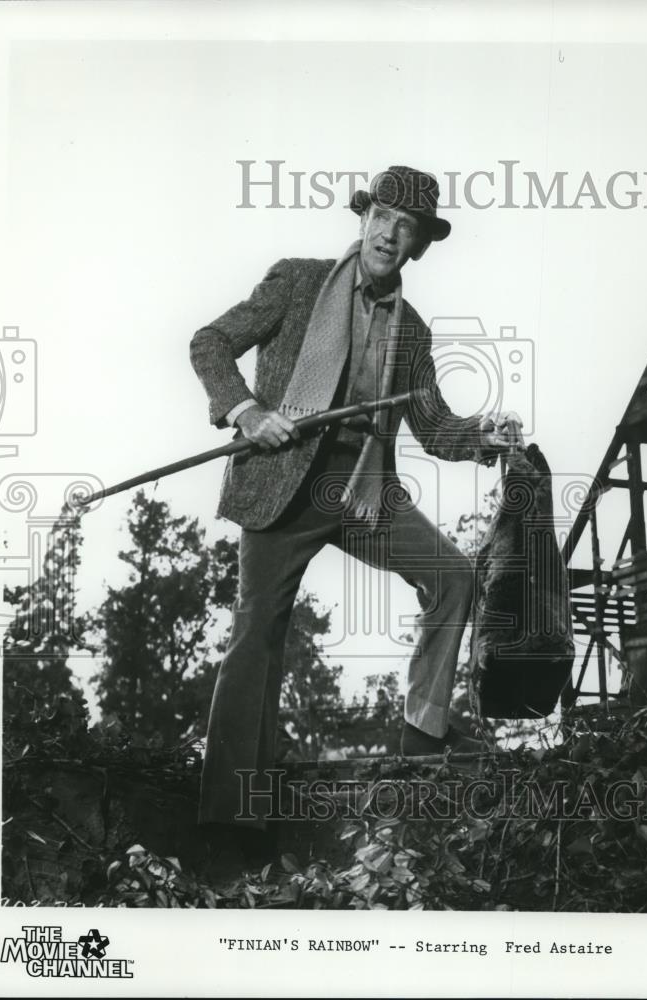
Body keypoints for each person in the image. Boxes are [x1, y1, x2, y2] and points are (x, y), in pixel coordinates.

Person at [190, 165, 522, 832]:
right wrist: (249, 412)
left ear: (419, 246)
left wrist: (481, 437)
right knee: (258, 635)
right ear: (362, 218)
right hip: (283, 485)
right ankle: (228, 820)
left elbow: (433, 427)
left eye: (407, 229)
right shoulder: (297, 281)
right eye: (382, 219)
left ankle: (421, 739)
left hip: (364, 492)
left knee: (454, 577)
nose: (389, 236)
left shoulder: (414, 333)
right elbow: (210, 343)